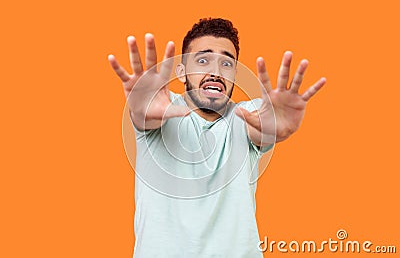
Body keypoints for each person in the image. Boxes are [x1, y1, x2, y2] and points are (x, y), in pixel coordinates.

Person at [108, 18, 326, 258]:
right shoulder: (161, 111)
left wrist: (275, 126)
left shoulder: (246, 116)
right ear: (181, 72)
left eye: (226, 63)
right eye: (203, 60)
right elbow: (144, 116)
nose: (215, 72)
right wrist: (141, 107)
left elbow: (263, 128)